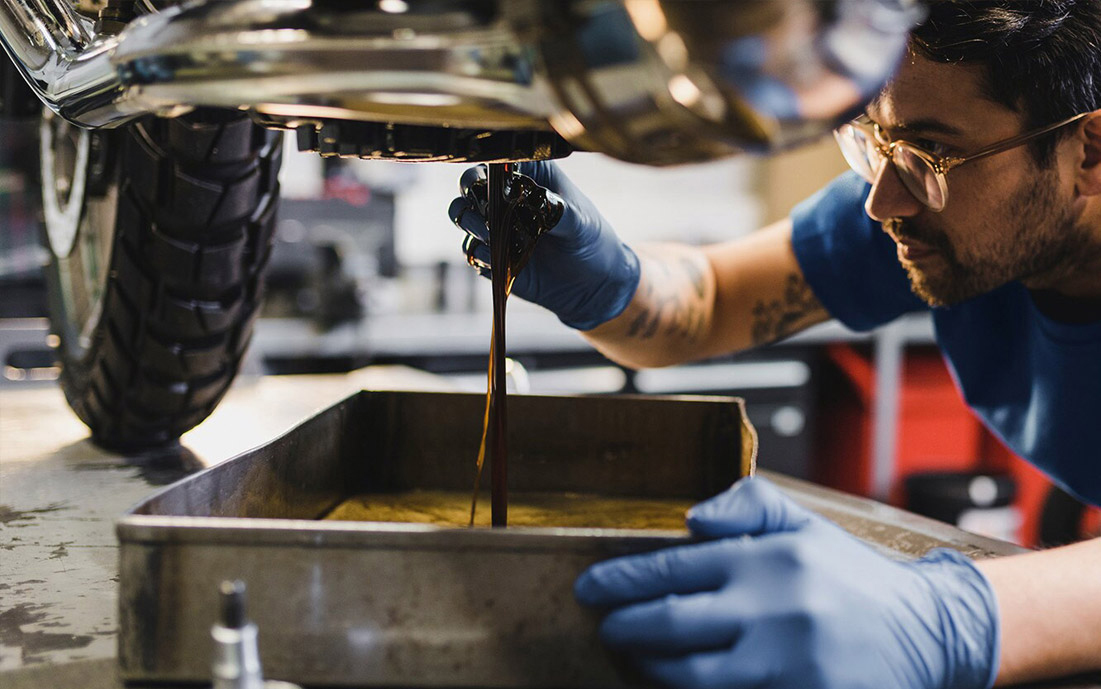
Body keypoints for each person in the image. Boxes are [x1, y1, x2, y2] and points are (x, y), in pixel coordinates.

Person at [449, 1, 1101, 687]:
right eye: (874, 143)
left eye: (928, 151)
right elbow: (709, 302)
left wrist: (947, 617)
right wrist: (613, 283)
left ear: (1087, 150)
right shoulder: (930, 203)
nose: (882, 202)